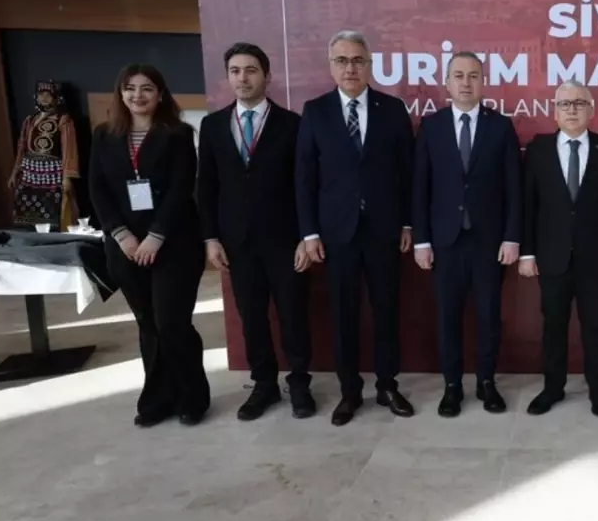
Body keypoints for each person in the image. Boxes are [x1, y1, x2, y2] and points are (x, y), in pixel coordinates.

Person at [296, 30, 415, 426]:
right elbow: (304, 177)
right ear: (331, 66)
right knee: (344, 315)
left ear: (369, 64)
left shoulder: (392, 109)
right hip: (336, 234)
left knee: (387, 311)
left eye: (358, 60)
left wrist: (408, 222)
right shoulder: (316, 111)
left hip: (384, 230)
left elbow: (407, 172)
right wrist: (309, 233)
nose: (350, 68)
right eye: (342, 61)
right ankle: (350, 392)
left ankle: (387, 385)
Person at [197, 42, 314, 421]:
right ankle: (264, 384)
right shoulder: (213, 126)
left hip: (285, 240)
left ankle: (299, 384)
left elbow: (305, 184)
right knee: (251, 317)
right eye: (235, 71)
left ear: (267, 76)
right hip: (237, 242)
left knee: (293, 315)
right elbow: (206, 185)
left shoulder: (293, 124)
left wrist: (306, 236)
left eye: (250, 70)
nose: (242, 78)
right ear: (228, 77)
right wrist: (210, 237)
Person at [88, 64, 209, 426]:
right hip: (125, 245)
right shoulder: (104, 135)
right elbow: (97, 189)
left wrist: (156, 237)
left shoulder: (178, 134)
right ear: (120, 93)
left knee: (172, 322)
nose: (137, 95)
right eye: (130, 88)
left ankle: (191, 399)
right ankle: (158, 400)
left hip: (174, 243)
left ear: (160, 94)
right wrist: (121, 234)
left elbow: (181, 188)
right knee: (148, 324)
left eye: (147, 88)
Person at [413, 51, 522, 418]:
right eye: (458, 75)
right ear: (447, 83)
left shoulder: (500, 126)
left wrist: (512, 237)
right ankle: (452, 386)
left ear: (483, 82)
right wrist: (422, 240)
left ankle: (486, 382)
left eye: (473, 75)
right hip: (445, 243)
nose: (466, 82)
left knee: (489, 316)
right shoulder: (431, 126)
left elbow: (514, 187)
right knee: (448, 318)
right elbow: (420, 188)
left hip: (488, 243)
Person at [519, 81, 598, 417]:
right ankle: (553, 388)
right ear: (554, 111)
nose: (571, 110)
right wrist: (527, 253)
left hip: (594, 257)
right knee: (553, 326)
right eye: (565, 104)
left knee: (594, 326)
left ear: (591, 110)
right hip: (551, 256)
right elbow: (528, 206)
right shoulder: (538, 150)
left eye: (579, 103)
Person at [9, 80, 80, 231]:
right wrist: (15, 171)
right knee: (29, 213)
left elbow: (69, 149)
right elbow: (22, 147)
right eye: (41, 95)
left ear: (56, 98)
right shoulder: (30, 120)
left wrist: (67, 177)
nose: (44, 98)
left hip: (52, 175)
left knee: (53, 211)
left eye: (48, 95)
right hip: (30, 174)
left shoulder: (63, 120)